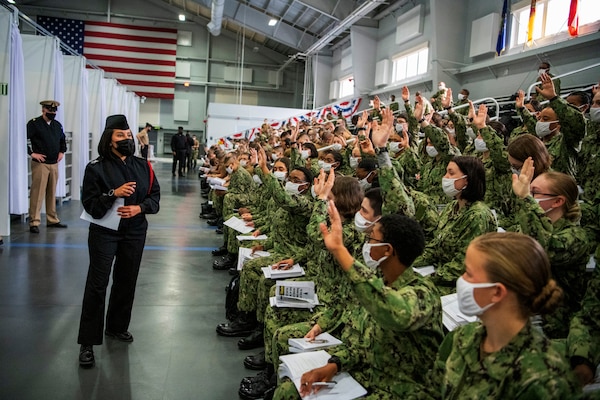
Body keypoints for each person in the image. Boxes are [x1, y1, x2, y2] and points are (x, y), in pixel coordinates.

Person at [272, 207, 443, 399]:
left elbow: (392, 311)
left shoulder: (422, 294)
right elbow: (365, 345)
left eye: (372, 239)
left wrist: (340, 251)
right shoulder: (379, 279)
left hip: (400, 391)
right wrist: (334, 365)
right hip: (365, 376)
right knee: (288, 392)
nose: (366, 244)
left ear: (388, 250)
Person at [429, 232, 580, 399]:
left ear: (497, 292)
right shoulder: (463, 337)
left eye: (468, 274)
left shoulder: (543, 381)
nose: (461, 280)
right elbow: (436, 389)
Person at [77, 115, 160, 368]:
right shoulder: (96, 168)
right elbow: (90, 205)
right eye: (119, 136)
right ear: (109, 140)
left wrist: (139, 208)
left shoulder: (143, 166)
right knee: (97, 284)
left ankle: (117, 327)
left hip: (134, 231)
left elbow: (154, 198)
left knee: (126, 280)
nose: (126, 139)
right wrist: (113, 194)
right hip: (105, 231)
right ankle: (87, 343)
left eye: (128, 135)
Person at [27, 100, 68, 233]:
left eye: (54, 111)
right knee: (37, 193)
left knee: (52, 192)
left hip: (54, 163)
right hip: (41, 164)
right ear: (43, 110)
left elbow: (62, 140)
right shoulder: (34, 124)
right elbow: (22, 139)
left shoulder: (57, 125)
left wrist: (62, 151)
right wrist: (32, 154)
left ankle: (52, 219)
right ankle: (34, 221)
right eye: (50, 110)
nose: (53, 113)